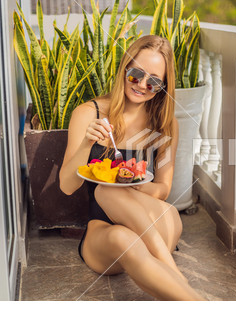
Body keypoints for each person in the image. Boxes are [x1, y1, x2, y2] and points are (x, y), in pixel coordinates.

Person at [59, 35, 205, 301]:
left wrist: (133, 184)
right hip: (104, 232)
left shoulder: (166, 123)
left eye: (154, 81)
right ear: (125, 68)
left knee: (119, 194)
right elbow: (67, 186)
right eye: (136, 73)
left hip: (155, 220)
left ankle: (167, 271)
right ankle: (186, 289)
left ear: (163, 86)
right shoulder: (88, 114)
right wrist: (86, 145)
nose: (142, 85)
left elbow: (162, 189)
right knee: (107, 196)